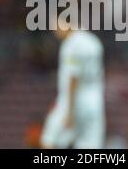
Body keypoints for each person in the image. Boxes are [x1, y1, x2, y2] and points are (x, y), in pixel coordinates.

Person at [40, 20, 105, 149]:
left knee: (49, 140)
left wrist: (69, 112)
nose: (55, 30)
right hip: (95, 102)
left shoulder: (71, 44)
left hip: (74, 101)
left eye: (57, 24)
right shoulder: (94, 42)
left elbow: (73, 77)